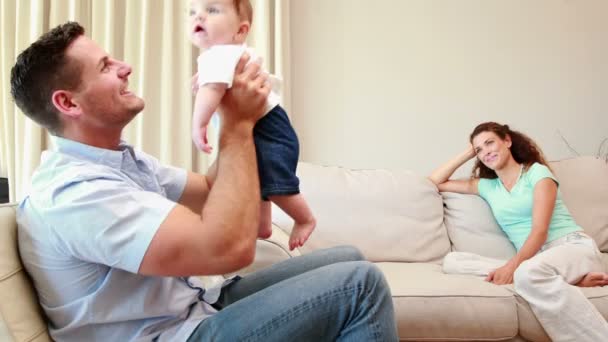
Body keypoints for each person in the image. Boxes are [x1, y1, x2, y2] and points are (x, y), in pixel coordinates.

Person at [10, 22, 398, 342]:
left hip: (192, 310)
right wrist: (236, 126)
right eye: (105, 67)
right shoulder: (74, 193)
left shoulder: (120, 161)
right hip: (166, 335)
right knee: (359, 286)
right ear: (69, 103)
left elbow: (213, 188)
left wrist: (232, 110)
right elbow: (229, 248)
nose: (125, 67)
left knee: (348, 258)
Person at [429, 121, 608, 341]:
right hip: (537, 260)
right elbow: (434, 182)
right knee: (453, 262)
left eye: (489, 143)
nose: (485, 152)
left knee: (526, 272)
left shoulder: (537, 174)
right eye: (479, 150)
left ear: (507, 141)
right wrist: (468, 152)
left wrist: (512, 267)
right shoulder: (488, 186)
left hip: (571, 246)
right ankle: (566, 281)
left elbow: (540, 232)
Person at [188, 0, 315, 251]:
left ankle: (304, 218)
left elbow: (212, 90)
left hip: (268, 130)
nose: (199, 17)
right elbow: (214, 83)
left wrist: (198, 124)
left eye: (212, 11)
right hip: (270, 126)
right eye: (193, 12)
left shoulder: (221, 54)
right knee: (254, 178)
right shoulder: (225, 55)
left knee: (274, 181)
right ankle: (263, 225)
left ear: (241, 30)